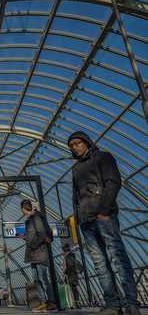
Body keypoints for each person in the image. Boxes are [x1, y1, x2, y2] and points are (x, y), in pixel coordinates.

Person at [68, 131, 141, 315]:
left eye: (77, 143)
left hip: (103, 217)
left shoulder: (103, 157)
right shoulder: (76, 169)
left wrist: (104, 211)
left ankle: (132, 304)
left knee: (119, 258)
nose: (74, 147)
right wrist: (77, 218)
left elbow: (113, 182)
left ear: (87, 143)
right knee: (100, 263)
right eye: (71, 145)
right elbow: (76, 196)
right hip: (85, 221)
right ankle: (112, 305)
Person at [18, 199, 57, 313]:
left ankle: (51, 302)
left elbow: (41, 234)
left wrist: (33, 246)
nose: (21, 210)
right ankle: (42, 301)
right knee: (36, 279)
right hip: (33, 254)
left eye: (21, 209)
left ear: (23, 209)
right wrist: (26, 238)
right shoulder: (30, 220)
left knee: (43, 279)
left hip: (39, 252)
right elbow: (36, 235)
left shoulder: (36, 218)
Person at [61, 243, 81, 309]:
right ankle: (76, 304)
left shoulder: (68, 256)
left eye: (62, 250)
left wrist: (65, 273)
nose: (62, 252)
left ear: (65, 251)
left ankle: (70, 304)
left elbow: (69, 266)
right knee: (74, 290)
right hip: (74, 275)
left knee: (69, 290)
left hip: (70, 276)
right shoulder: (71, 256)